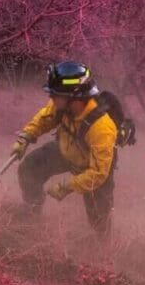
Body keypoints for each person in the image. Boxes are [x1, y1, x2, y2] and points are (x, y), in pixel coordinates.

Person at [11, 61, 121, 236]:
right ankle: (32, 208)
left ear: (75, 98)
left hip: (92, 167)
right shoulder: (62, 104)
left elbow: (99, 173)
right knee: (29, 168)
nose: (51, 98)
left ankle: (101, 243)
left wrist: (68, 186)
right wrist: (26, 136)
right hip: (66, 150)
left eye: (55, 95)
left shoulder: (102, 128)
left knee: (99, 218)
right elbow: (45, 118)